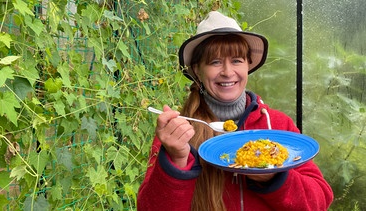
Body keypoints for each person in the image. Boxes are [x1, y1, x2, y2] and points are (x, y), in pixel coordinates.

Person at [137, 11, 333, 211]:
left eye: (237, 60)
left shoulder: (277, 125)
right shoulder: (179, 132)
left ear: (248, 65)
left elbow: (320, 201)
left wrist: (275, 176)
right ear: (197, 70)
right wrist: (177, 161)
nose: (228, 72)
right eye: (215, 62)